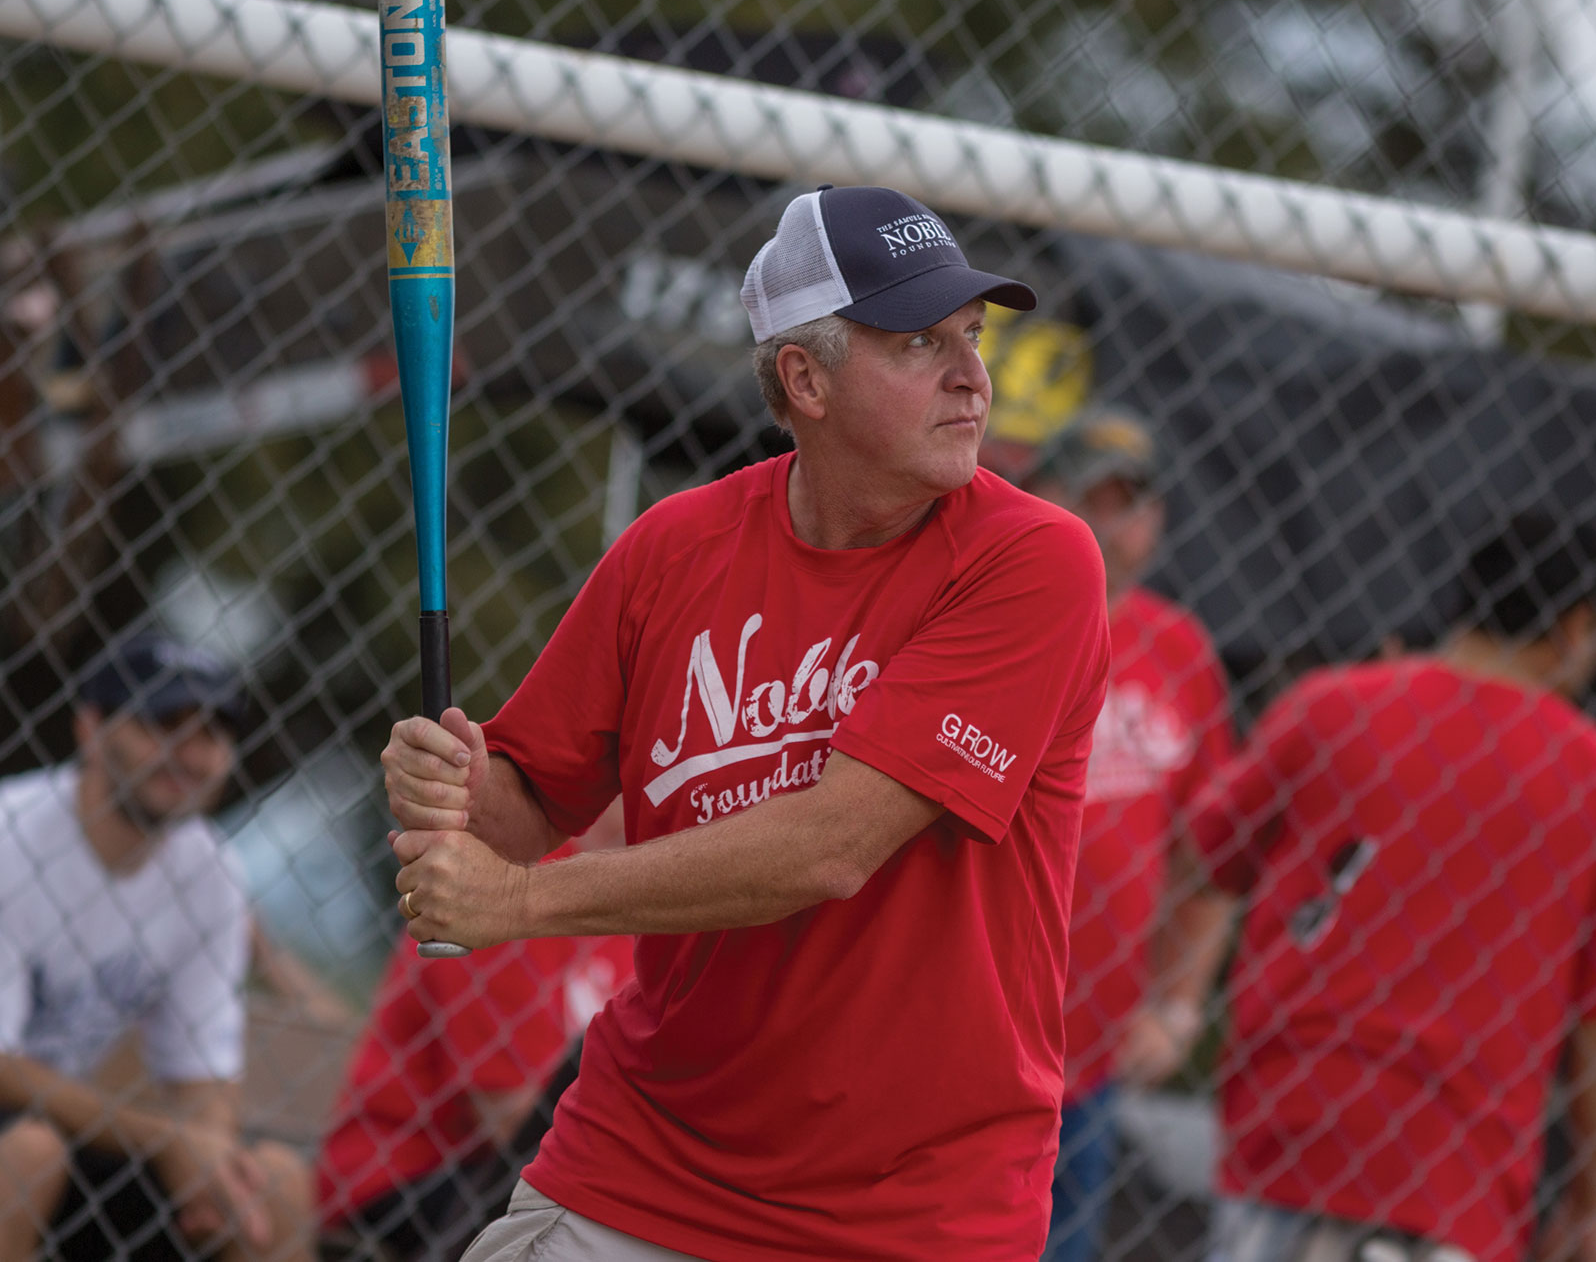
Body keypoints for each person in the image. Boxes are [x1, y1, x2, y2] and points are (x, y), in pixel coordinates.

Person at [379, 185, 1111, 1261]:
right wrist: (451, 779)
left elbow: (828, 847)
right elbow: (523, 809)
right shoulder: (671, 551)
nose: (972, 374)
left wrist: (519, 901)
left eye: (972, 334)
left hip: (910, 1213)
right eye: (919, 341)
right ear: (804, 379)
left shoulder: (1032, 559)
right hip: (643, 1168)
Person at [1186, 512, 1596, 1262]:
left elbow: (1205, 855)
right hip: (1460, 1176)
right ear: (1578, 628)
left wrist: (1176, 992)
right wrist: (1593, 1204)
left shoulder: (1331, 707)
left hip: (1290, 1126)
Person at [0, 632, 312, 1262]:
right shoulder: (10, 836)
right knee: (30, 1154)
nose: (189, 754)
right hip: (27, 1143)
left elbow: (201, 1074)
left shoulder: (211, 874)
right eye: (162, 723)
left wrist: (211, 1160)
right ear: (91, 728)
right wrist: (167, 1139)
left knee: (274, 1182)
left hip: (76, 1137)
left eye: (212, 734)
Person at [1022, 408, 1238, 1262]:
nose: (1114, 524)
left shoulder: (1180, 649)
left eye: (1132, 502)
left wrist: (1179, 1002)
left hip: (1090, 1067)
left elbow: (1208, 854)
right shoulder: (982, 616)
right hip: (958, 1052)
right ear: (1035, 495)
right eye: (1090, 497)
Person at [315, 803, 635, 1261]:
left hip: (510, 1171)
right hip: (401, 1177)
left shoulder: (631, 915)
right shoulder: (512, 883)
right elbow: (509, 1119)